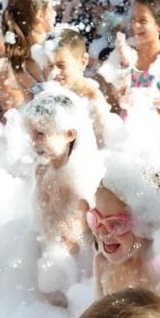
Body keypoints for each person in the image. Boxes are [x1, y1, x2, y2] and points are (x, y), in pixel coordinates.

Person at [24, 86, 102, 306]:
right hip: (51, 261)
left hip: (77, 270)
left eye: (41, 133)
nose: (33, 141)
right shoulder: (41, 171)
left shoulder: (80, 179)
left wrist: (91, 276)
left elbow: (96, 234)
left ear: (69, 134)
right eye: (30, 134)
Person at [88, 152, 160, 297]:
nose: (102, 233)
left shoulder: (159, 272)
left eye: (116, 224)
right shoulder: (102, 263)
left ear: (147, 225)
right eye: (96, 219)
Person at [117, 0, 160, 131]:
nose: (136, 25)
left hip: (156, 129)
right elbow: (119, 94)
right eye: (134, 19)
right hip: (128, 126)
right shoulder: (129, 50)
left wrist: (144, 99)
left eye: (143, 21)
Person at [0, 0, 56, 114]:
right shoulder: (54, 52)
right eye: (51, 9)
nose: (54, 14)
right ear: (40, 15)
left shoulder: (17, 60)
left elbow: (31, 112)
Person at [45, 28, 111, 144]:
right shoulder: (49, 93)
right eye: (50, 66)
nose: (54, 73)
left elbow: (105, 140)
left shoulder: (91, 96)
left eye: (61, 66)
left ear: (83, 62)